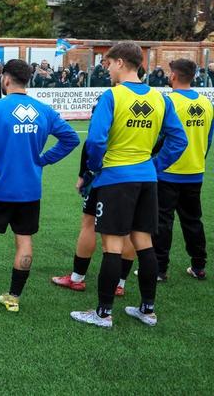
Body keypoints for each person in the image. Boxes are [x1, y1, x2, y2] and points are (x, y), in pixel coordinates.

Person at [70, 42, 186, 329]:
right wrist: (154, 166)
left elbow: (96, 141)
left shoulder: (112, 96)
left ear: (120, 62)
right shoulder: (162, 99)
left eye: (108, 64)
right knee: (143, 243)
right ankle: (147, 309)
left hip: (116, 179)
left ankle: (103, 313)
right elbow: (179, 140)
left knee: (112, 245)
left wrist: (93, 170)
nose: (107, 69)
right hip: (147, 180)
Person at [0, 59, 79, 313]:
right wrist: (43, 160)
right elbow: (71, 138)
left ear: (6, 79)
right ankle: (13, 297)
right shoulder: (44, 110)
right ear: (28, 80)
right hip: (30, 189)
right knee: (24, 239)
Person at [51, 133, 136, 296]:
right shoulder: (159, 106)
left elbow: (94, 141)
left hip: (105, 174)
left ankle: (77, 279)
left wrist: (86, 172)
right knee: (128, 227)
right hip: (139, 175)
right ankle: (119, 283)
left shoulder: (107, 106)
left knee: (89, 223)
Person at [152, 58, 213, 280]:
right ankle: (198, 266)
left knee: (163, 221)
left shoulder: (167, 101)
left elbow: (158, 138)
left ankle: (159, 269)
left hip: (168, 171)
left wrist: (155, 163)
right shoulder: (207, 103)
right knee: (193, 220)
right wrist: (198, 160)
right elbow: (208, 139)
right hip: (195, 170)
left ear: (174, 76)